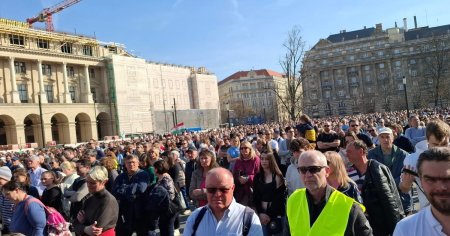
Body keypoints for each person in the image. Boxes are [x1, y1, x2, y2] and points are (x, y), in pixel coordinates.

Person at [284, 150, 372, 235]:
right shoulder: (293, 199)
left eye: (314, 169)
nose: (308, 174)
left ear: (327, 171)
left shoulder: (349, 207)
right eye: (303, 170)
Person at [346, 140, 404, 235]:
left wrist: (395, 226)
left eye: (349, 151)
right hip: (362, 224)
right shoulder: (348, 173)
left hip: (381, 224)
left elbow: (390, 200)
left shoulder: (378, 169)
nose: (346, 154)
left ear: (360, 151)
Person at [183, 167, 263, 235]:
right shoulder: (195, 218)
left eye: (223, 189)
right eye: (211, 189)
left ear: (233, 188)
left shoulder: (249, 218)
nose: (217, 194)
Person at [393, 147, 450, 236]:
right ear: (421, 181)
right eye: (430, 180)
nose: (441, 187)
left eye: (448, 179)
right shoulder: (405, 229)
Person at [400, 119, 450, 210]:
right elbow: (404, 189)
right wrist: (406, 184)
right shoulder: (412, 160)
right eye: (435, 144)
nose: (440, 149)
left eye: (444, 144)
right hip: (426, 213)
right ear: (427, 140)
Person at [368, 127, 411, 214]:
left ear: (393, 137)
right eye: (382, 137)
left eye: (388, 136)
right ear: (378, 138)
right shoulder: (371, 154)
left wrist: (388, 184)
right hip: (380, 199)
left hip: (401, 198)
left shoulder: (404, 155)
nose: (385, 140)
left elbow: (407, 175)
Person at [74, 166, 119, 236]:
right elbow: (75, 224)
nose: (88, 185)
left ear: (104, 182)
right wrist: (85, 228)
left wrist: (83, 224)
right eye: (87, 182)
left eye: (93, 183)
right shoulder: (89, 199)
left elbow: (95, 229)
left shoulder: (108, 201)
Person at [112, 154, 149, 236]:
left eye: (133, 162)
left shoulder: (143, 174)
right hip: (125, 212)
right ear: (125, 164)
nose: (131, 164)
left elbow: (141, 189)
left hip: (140, 211)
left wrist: (123, 188)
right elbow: (115, 192)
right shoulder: (121, 177)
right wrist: (131, 189)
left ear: (138, 163)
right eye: (129, 163)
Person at [252, 152, 286, 236]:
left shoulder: (278, 177)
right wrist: (260, 213)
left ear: (271, 160)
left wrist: (268, 215)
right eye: (262, 159)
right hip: (261, 215)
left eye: (266, 159)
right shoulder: (257, 177)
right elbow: (255, 196)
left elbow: (279, 198)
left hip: (275, 215)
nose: (264, 161)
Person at [153, 159, 179, 236]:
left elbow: (171, 195)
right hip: (163, 208)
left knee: (168, 228)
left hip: (169, 208)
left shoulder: (166, 178)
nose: (153, 170)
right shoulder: (160, 178)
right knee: (163, 227)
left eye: (154, 168)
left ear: (157, 169)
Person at [232, 141, 261, 206]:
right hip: (240, 191)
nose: (243, 150)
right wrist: (239, 178)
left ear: (250, 149)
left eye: (245, 148)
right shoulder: (238, 160)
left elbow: (260, 176)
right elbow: (234, 174)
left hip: (253, 191)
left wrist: (248, 178)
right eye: (241, 148)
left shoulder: (256, 159)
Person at [0, 166, 15, 234]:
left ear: (6, 179)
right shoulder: (1, 191)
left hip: (15, 228)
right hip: (5, 226)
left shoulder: (14, 192)